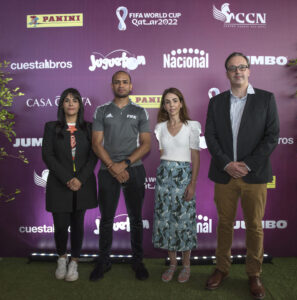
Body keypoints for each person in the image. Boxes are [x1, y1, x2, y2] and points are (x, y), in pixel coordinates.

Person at [204, 52, 279, 299]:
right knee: (224, 224)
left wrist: (247, 164)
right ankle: (222, 268)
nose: (238, 71)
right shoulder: (217, 102)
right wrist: (227, 164)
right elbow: (211, 137)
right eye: (233, 68)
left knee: (254, 226)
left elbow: (271, 137)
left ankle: (254, 273)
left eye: (242, 67)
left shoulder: (266, 99)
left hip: (254, 175)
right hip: (225, 175)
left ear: (249, 70)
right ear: (227, 73)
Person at [89, 70, 151, 281]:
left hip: (133, 168)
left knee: (135, 218)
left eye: (125, 82)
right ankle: (103, 261)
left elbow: (146, 144)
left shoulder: (140, 111)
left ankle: (137, 261)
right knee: (106, 219)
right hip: (107, 170)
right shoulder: (101, 110)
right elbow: (96, 143)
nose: (121, 85)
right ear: (112, 86)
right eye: (117, 82)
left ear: (130, 86)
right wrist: (111, 166)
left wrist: (123, 164)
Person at [42, 88, 98, 281]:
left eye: (75, 100)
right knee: (60, 225)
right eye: (67, 100)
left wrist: (80, 179)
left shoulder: (89, 128)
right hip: (59, 184)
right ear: (62, 105)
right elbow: (47, 155)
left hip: (83, 185)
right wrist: (67, 178)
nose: (71, 103)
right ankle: (61, 258)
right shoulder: (51, 127)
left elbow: (93, 156)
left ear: (80, 105)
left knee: (78, 225)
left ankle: (74, 262)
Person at [152, 87, 200, 283]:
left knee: (184, 222)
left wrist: (193, 183)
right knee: (167, 223)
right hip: (164, 178)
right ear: (164, 105)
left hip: (184, 177)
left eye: (174, 100)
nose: (171, 105)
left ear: (181, 103)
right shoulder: (159, 128)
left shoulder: (192, 126)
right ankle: (172, 264)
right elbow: (163, 153)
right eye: (167, 101)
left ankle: (186, 266)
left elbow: (195, 156)